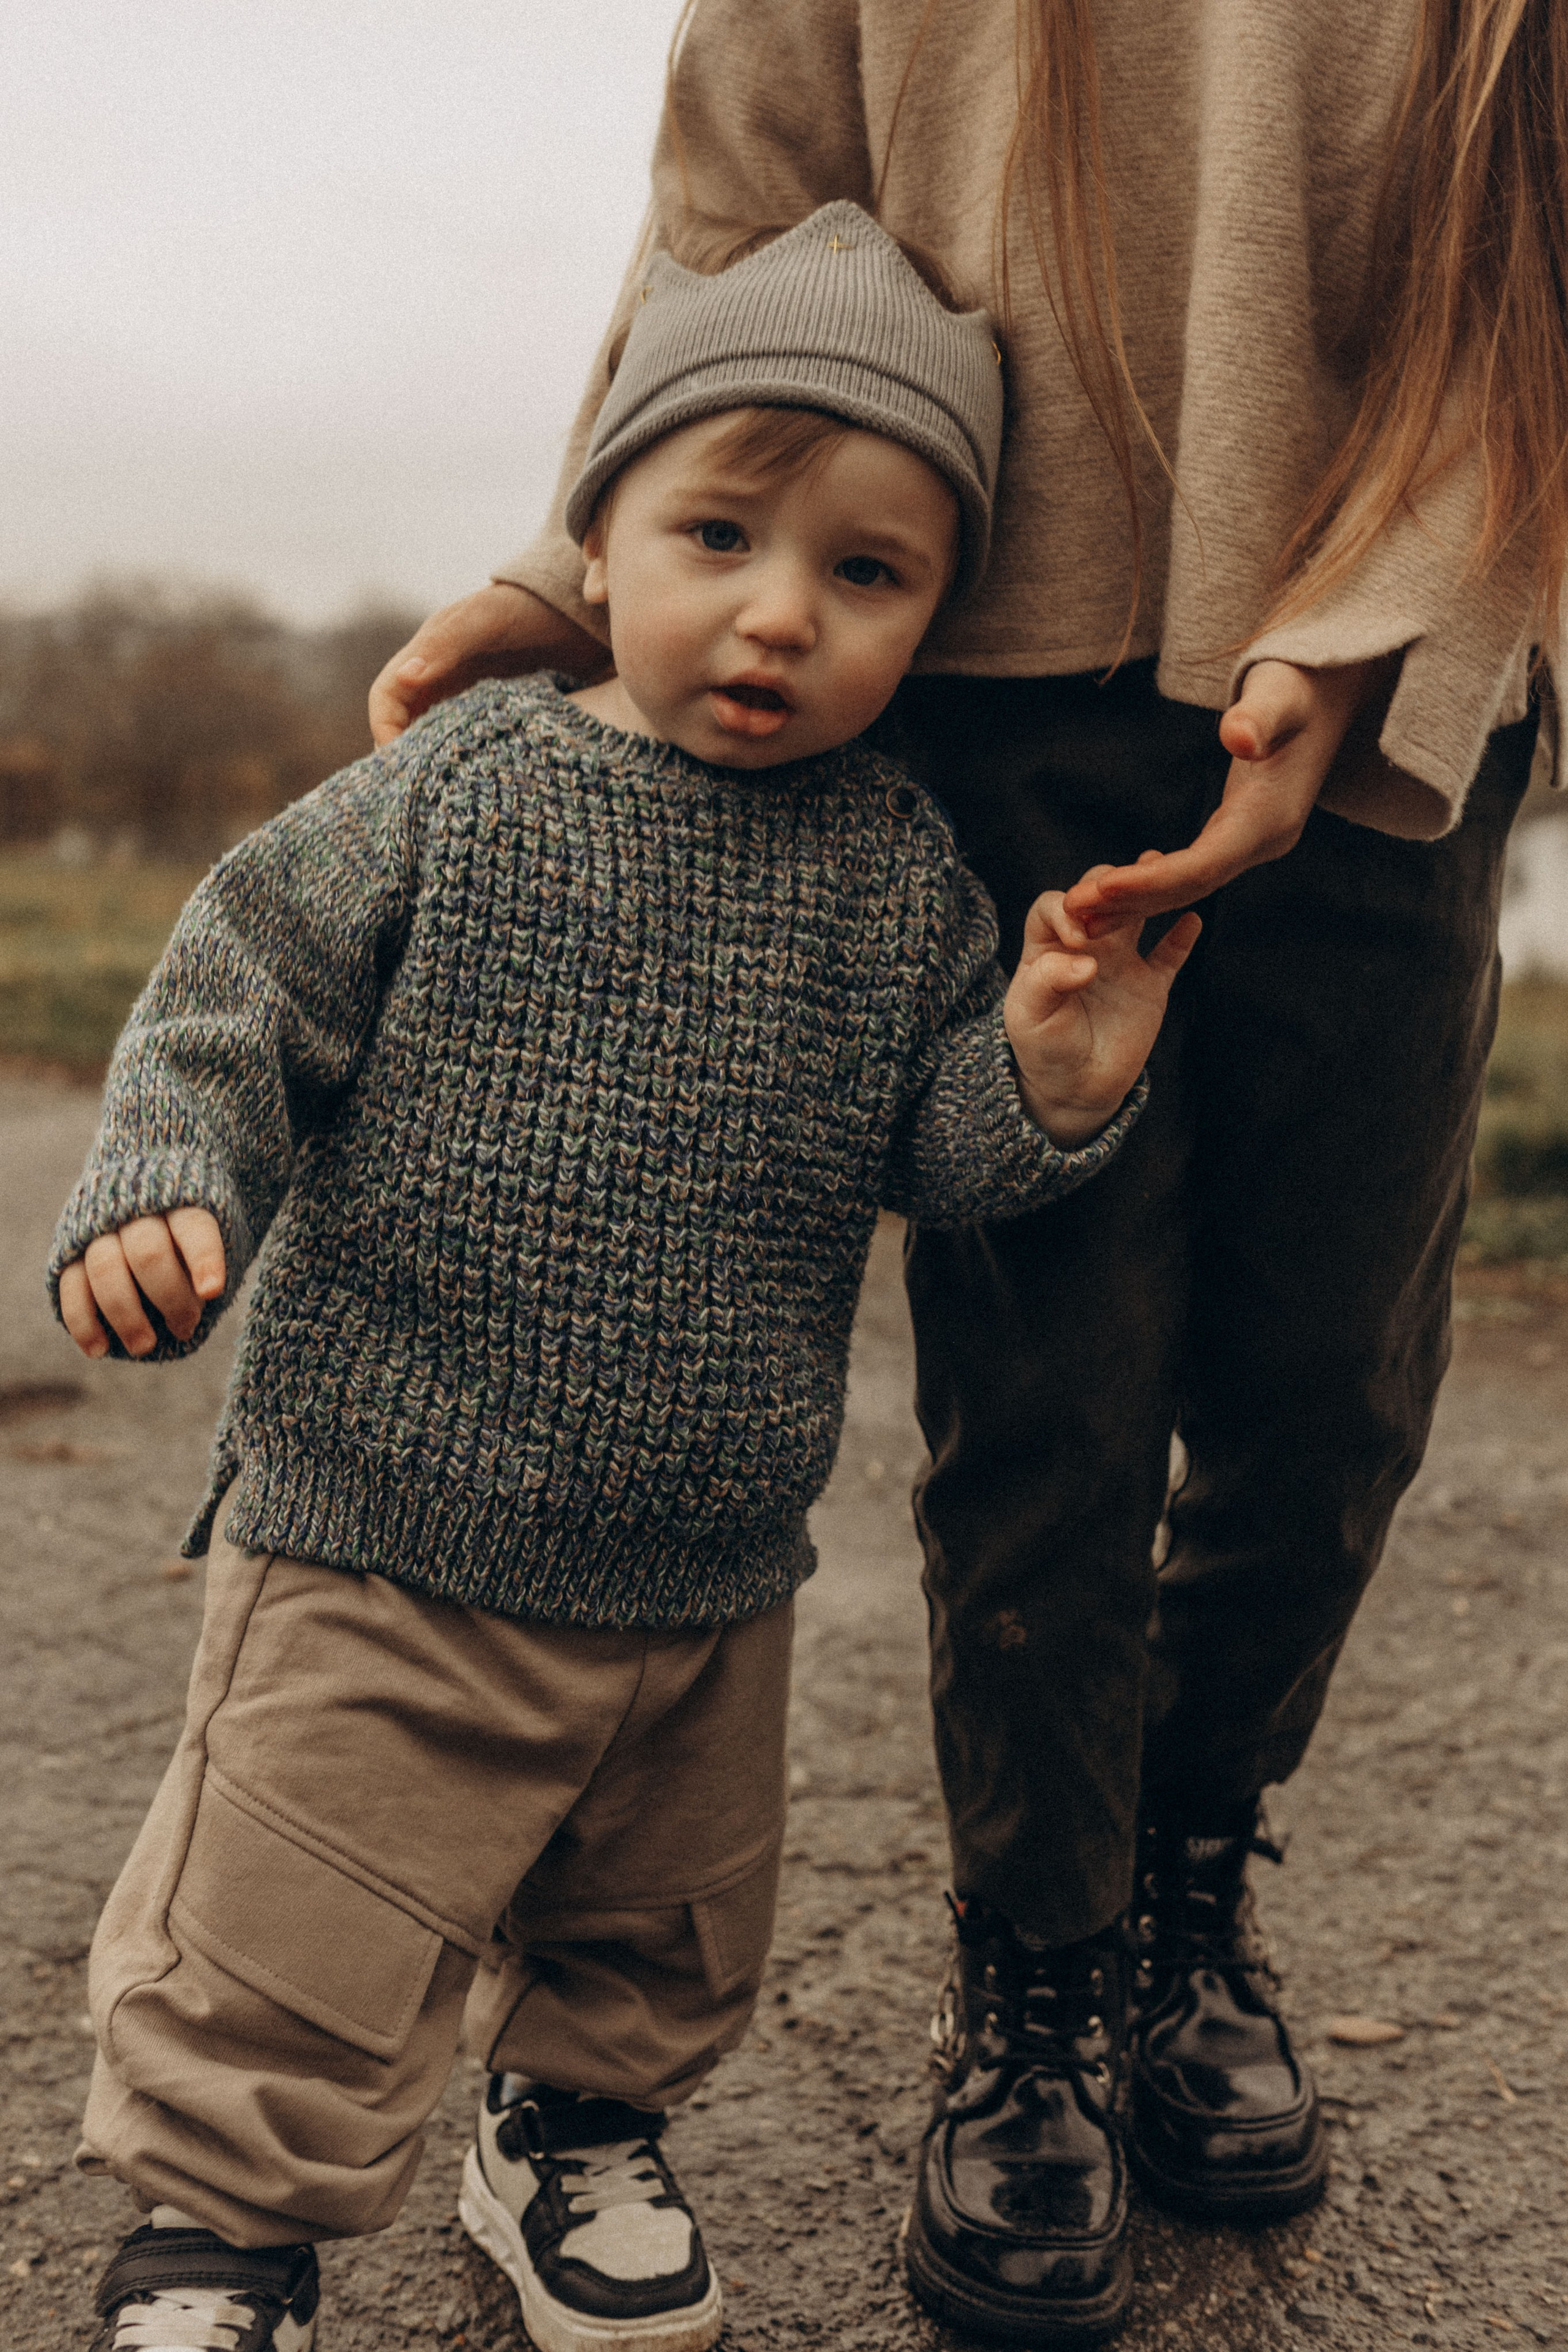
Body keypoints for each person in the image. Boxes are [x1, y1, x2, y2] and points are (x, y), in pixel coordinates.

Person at [367, 2, 1566, 2342]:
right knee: (1048, 1402)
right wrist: (580, 550)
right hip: (994, 641)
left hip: (1409, 658)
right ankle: (1037, 1981)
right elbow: (747, 209)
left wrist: (1351, 637)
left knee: (1334, 1388)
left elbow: (1537, 274)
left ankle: (1189, 1902)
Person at [49, 207, 1198, 2352]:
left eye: (866, 574)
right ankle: (221, 2233)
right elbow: (241, 993)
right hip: (385, 1526)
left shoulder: (896, 879)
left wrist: (1042, 1073)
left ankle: (569, 2130)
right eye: (719, 534)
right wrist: (167, 1179)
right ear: (602, 535)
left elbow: (928, 1160)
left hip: (702, 1565)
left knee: (660, 1920)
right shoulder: (462, 788)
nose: (778, 615)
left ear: (934, 617)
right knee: (292, 1906)